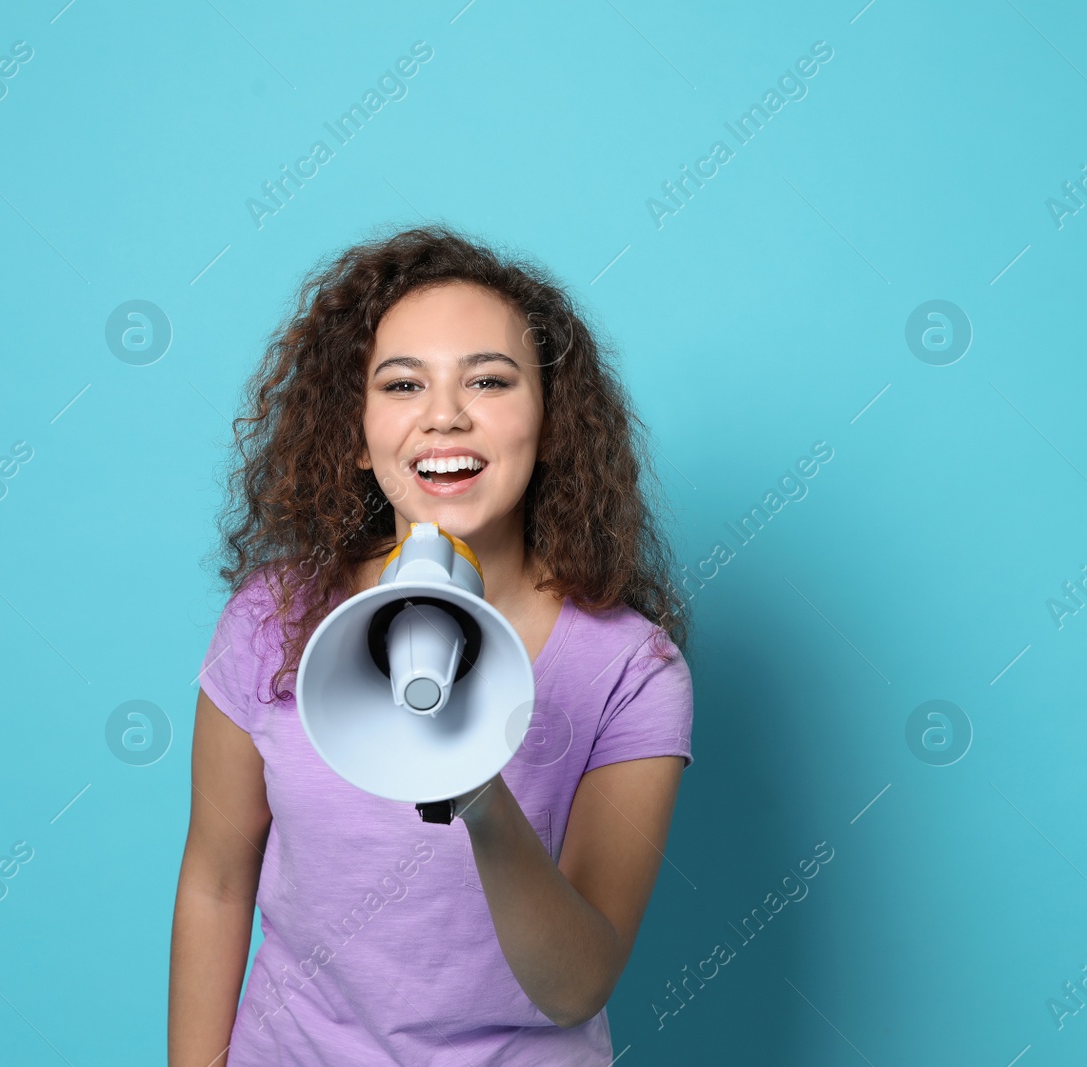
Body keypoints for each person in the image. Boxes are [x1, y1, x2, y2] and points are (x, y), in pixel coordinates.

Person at [168, 225, 695, 1065]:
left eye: (489, 379)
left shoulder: (631, 670)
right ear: (357, 428)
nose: (444, 414)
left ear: (552, 422)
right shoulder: (274, 621)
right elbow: (217, 880)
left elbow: (576, 985)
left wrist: (479, 794)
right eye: (402, 383)